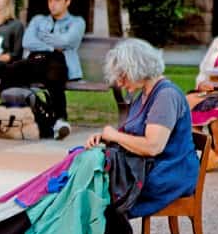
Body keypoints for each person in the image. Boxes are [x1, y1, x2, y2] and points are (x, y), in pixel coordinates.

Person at [85, 38, 198, 220]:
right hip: (150, 167)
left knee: (97, 175)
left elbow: (153, 146)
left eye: (123, 75)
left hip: (167, 175)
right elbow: (131, 135)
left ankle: (85, 228)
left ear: (137, 68)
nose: (120, 83)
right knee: (87, 162)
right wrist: (105, 138)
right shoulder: (143, 95)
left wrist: (114, 136)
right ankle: (79, 226)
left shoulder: (165, 96)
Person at [3, 0, 85, 141]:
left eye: (57, 0)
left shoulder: (77, 22)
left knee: (54, 72)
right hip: (36, 60)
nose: (52, 4)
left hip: (59, 62)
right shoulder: (38, 20)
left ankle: (60, 119)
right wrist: (52, 46)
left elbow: (68, 41)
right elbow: (27, 41)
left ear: (67, 2)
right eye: (50, 0)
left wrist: (42, 38)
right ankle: (25, 113)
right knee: (11, 70)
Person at [186, 35, 218, 166]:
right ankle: (203, 154)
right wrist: (202, 84)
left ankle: (215, 154)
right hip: (212, 91)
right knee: (186, 103)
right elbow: (204, 71)